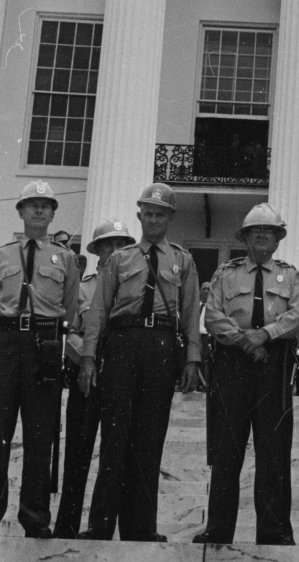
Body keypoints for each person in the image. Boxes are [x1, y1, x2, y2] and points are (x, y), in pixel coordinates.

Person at [77, 182, 201, 541]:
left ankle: (141, 528)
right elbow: (99, 310)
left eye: (160, 213)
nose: (154, 219)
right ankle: (100, 525)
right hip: (123, 344)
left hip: (161, 346)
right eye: (148, 212)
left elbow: (192, 312)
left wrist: (192, 358)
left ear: (170, 217)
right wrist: (88, 356)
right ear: (139, 216)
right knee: (115, 435)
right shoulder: (120, 259)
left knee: (150, 438)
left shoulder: (183, 261)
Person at [193, 204, 299, 546]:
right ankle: (218, 528)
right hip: (233, 361)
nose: (261, 236)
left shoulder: (292, 276)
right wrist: (245, 340)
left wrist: (265, 335)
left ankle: (274, 531)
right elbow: (212, 315)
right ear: (244, 238)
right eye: (255, 231)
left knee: (274, 450)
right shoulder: (226, 274)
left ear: (277, 238)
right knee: (227, 448)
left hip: (275, 363)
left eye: (268, 231)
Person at [0, 180, 79, 539]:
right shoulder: (3, 254)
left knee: (39, 435)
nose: (40, 210)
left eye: (46, 205)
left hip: (46, 342)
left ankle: (35, 518)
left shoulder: (65, 258)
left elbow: (73, 306)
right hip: (6, 341)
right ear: (21, 211)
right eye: (33, 204)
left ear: (52, 214)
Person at [54, 219, 134, 539]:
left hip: (120, 374)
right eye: (107, 244)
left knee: (114, 455)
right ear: (97, 250)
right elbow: (71, 330)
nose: (114, 250)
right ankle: (66, 525)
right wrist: (86, 359)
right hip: (85, 375)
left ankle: (101, 526)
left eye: (120, 245)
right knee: (78, 452)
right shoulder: (84, 285)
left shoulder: (133, 287)